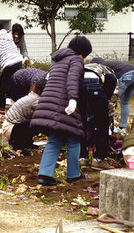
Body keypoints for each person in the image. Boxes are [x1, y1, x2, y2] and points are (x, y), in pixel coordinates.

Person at [31, 36, 90, 186]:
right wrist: (73, 99)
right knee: (74, 137)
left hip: (49, 101)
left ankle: (45, 174)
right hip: (64, 102)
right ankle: (73, 174)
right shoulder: (76, 60)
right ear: (81, 53)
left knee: (55, 138)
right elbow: (72, 80)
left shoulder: (57, 61)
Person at [79, 63, 118, 171]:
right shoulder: (109, 72)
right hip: (94, 86)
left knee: (81, 123)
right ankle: (99, 159)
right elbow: (109, 98)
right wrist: (104, 105)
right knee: (102, 123)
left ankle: (82, 157)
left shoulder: (83, 67)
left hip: (79, 87)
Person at [91, 57, 134, 131]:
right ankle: (122, 128)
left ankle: (109, 127)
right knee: (125, 102)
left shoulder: (102, 66)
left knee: (111, 101)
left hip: (125, 75)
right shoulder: (111, 64)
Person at [3, 79, 46, 150]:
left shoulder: (33, 96)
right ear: (40, 91)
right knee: (37, 122)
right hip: (10, 129)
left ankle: (25, 142)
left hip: (10, 128)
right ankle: (19, 144)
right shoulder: (36, 100)